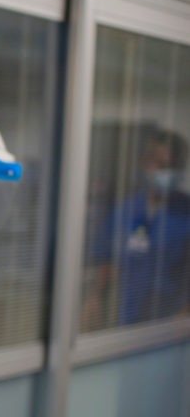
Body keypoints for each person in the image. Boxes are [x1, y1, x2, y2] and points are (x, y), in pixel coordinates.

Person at [83, 127, 190, 330]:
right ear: (144, 162)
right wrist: (94, 298)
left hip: (173, 323)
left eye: (168, 166)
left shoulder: (185, 213)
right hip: (128, 317)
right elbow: (108, 258)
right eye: (157, 164)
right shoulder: (127, 210)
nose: (162, 172)